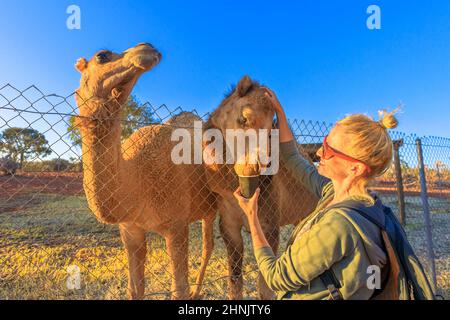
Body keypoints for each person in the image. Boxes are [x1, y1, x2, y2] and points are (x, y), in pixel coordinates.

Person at [233, 88, 399, 300]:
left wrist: (252, 218)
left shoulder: (338, 225)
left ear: (355, 169)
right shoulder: (346, 196)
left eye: (329, 150)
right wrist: (279, 112)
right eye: (324, 142)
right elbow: (293, 157)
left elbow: (277, 277)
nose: (319, 153)